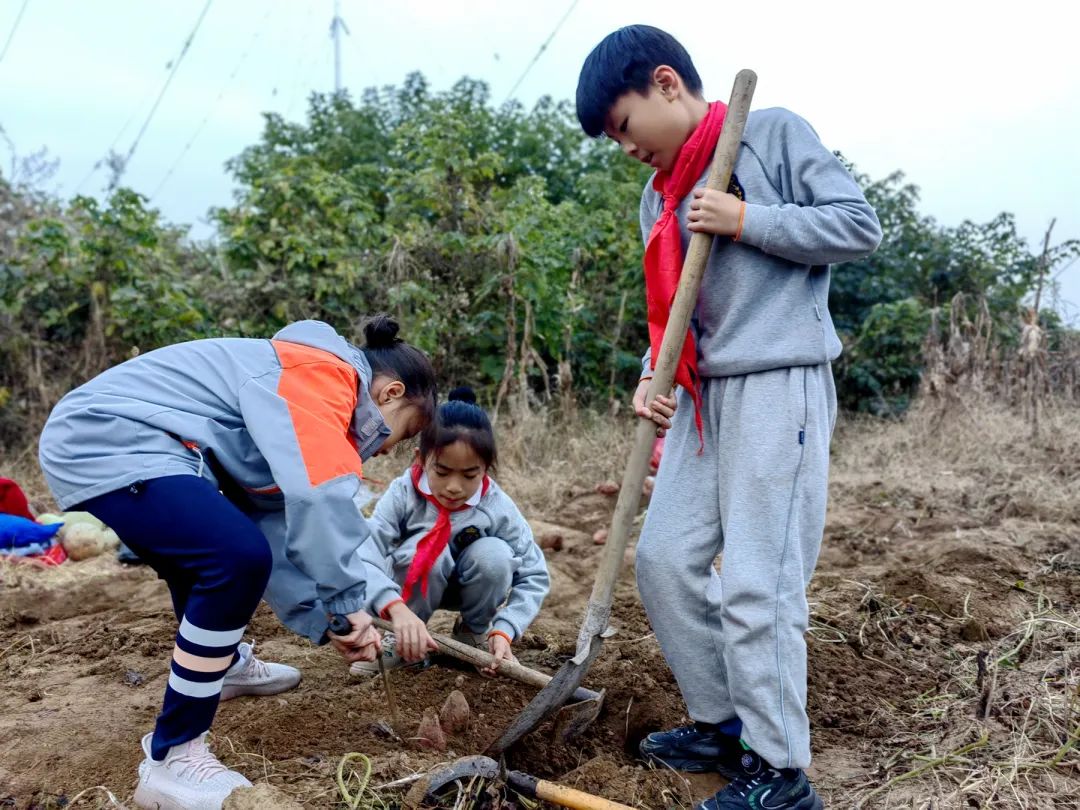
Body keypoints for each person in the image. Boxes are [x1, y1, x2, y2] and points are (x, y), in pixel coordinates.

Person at [576, 25, 882, 810]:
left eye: (622, 125)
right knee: (665, 562)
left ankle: (779, 772)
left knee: (759, 585)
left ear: (666, 84)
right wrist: (653, 379)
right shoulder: (659, 194)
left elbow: (858, 226)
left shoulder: (771, 134)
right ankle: (722, 724)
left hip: (780, 384)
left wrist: (750, 220)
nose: (624, 147)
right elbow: (677, 313)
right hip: (703, 401)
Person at [38, 315, 436, 810]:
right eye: (396, 436)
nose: (381, 452)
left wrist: (331, 616)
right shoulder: (325, 373)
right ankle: (173, 758)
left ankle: (222, 668)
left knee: (218, 549)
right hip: (111, 436)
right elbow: (319, 499)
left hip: (145, 445)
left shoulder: (290, 395)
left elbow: (273, 518)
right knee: (232, 558)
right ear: (390, 394)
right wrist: (346, 597)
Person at [350, 387, 550, 678]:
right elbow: (366, 554)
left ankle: (473, 634)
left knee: (496, 555)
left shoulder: (495, 505)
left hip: (467, 586)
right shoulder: (403, 493)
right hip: (409, 588)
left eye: (470, 475)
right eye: (442, 472)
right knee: (425, 547)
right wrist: (392, 608)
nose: (454, 486)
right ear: (420, 459)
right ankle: (406, 641)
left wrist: (505, 628)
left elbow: (534, 574)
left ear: (485, 469)